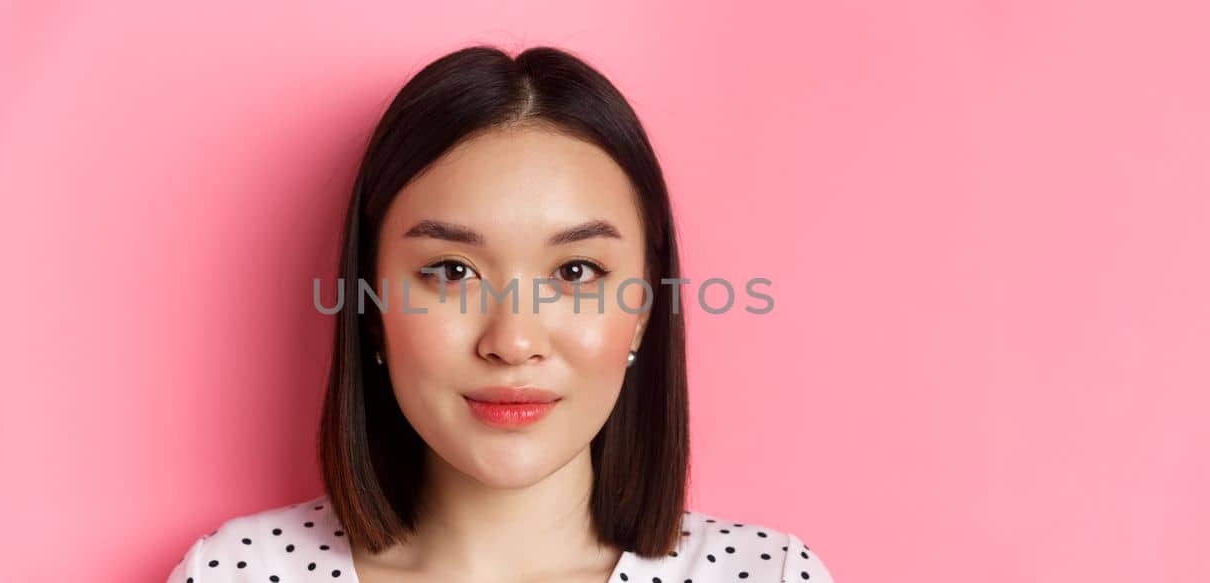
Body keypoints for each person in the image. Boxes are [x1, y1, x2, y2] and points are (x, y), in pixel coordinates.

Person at [165, 44, 835, 583]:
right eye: (452, 271)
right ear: (370, 307)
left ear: (643, 310)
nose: (512, 341)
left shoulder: (767, 574)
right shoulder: (239, 571)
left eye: (576, 272)